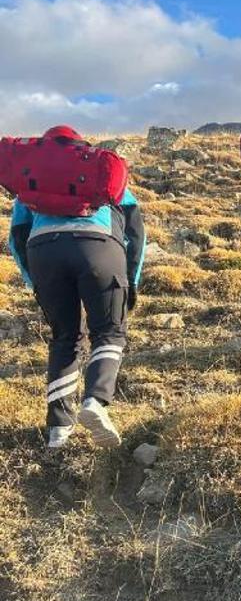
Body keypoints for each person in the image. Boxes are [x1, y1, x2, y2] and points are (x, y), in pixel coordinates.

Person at [6, 125, 146, 449]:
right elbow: (136, 232)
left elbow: (17, 237)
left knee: (65, 337)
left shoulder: (33, 177)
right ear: (80, 144)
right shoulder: (98, 170)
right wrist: (132, 280)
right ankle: (95, 402)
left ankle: (58, 431)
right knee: (109, 331)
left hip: (44, 253)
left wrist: (33, 281)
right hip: (99, 248)